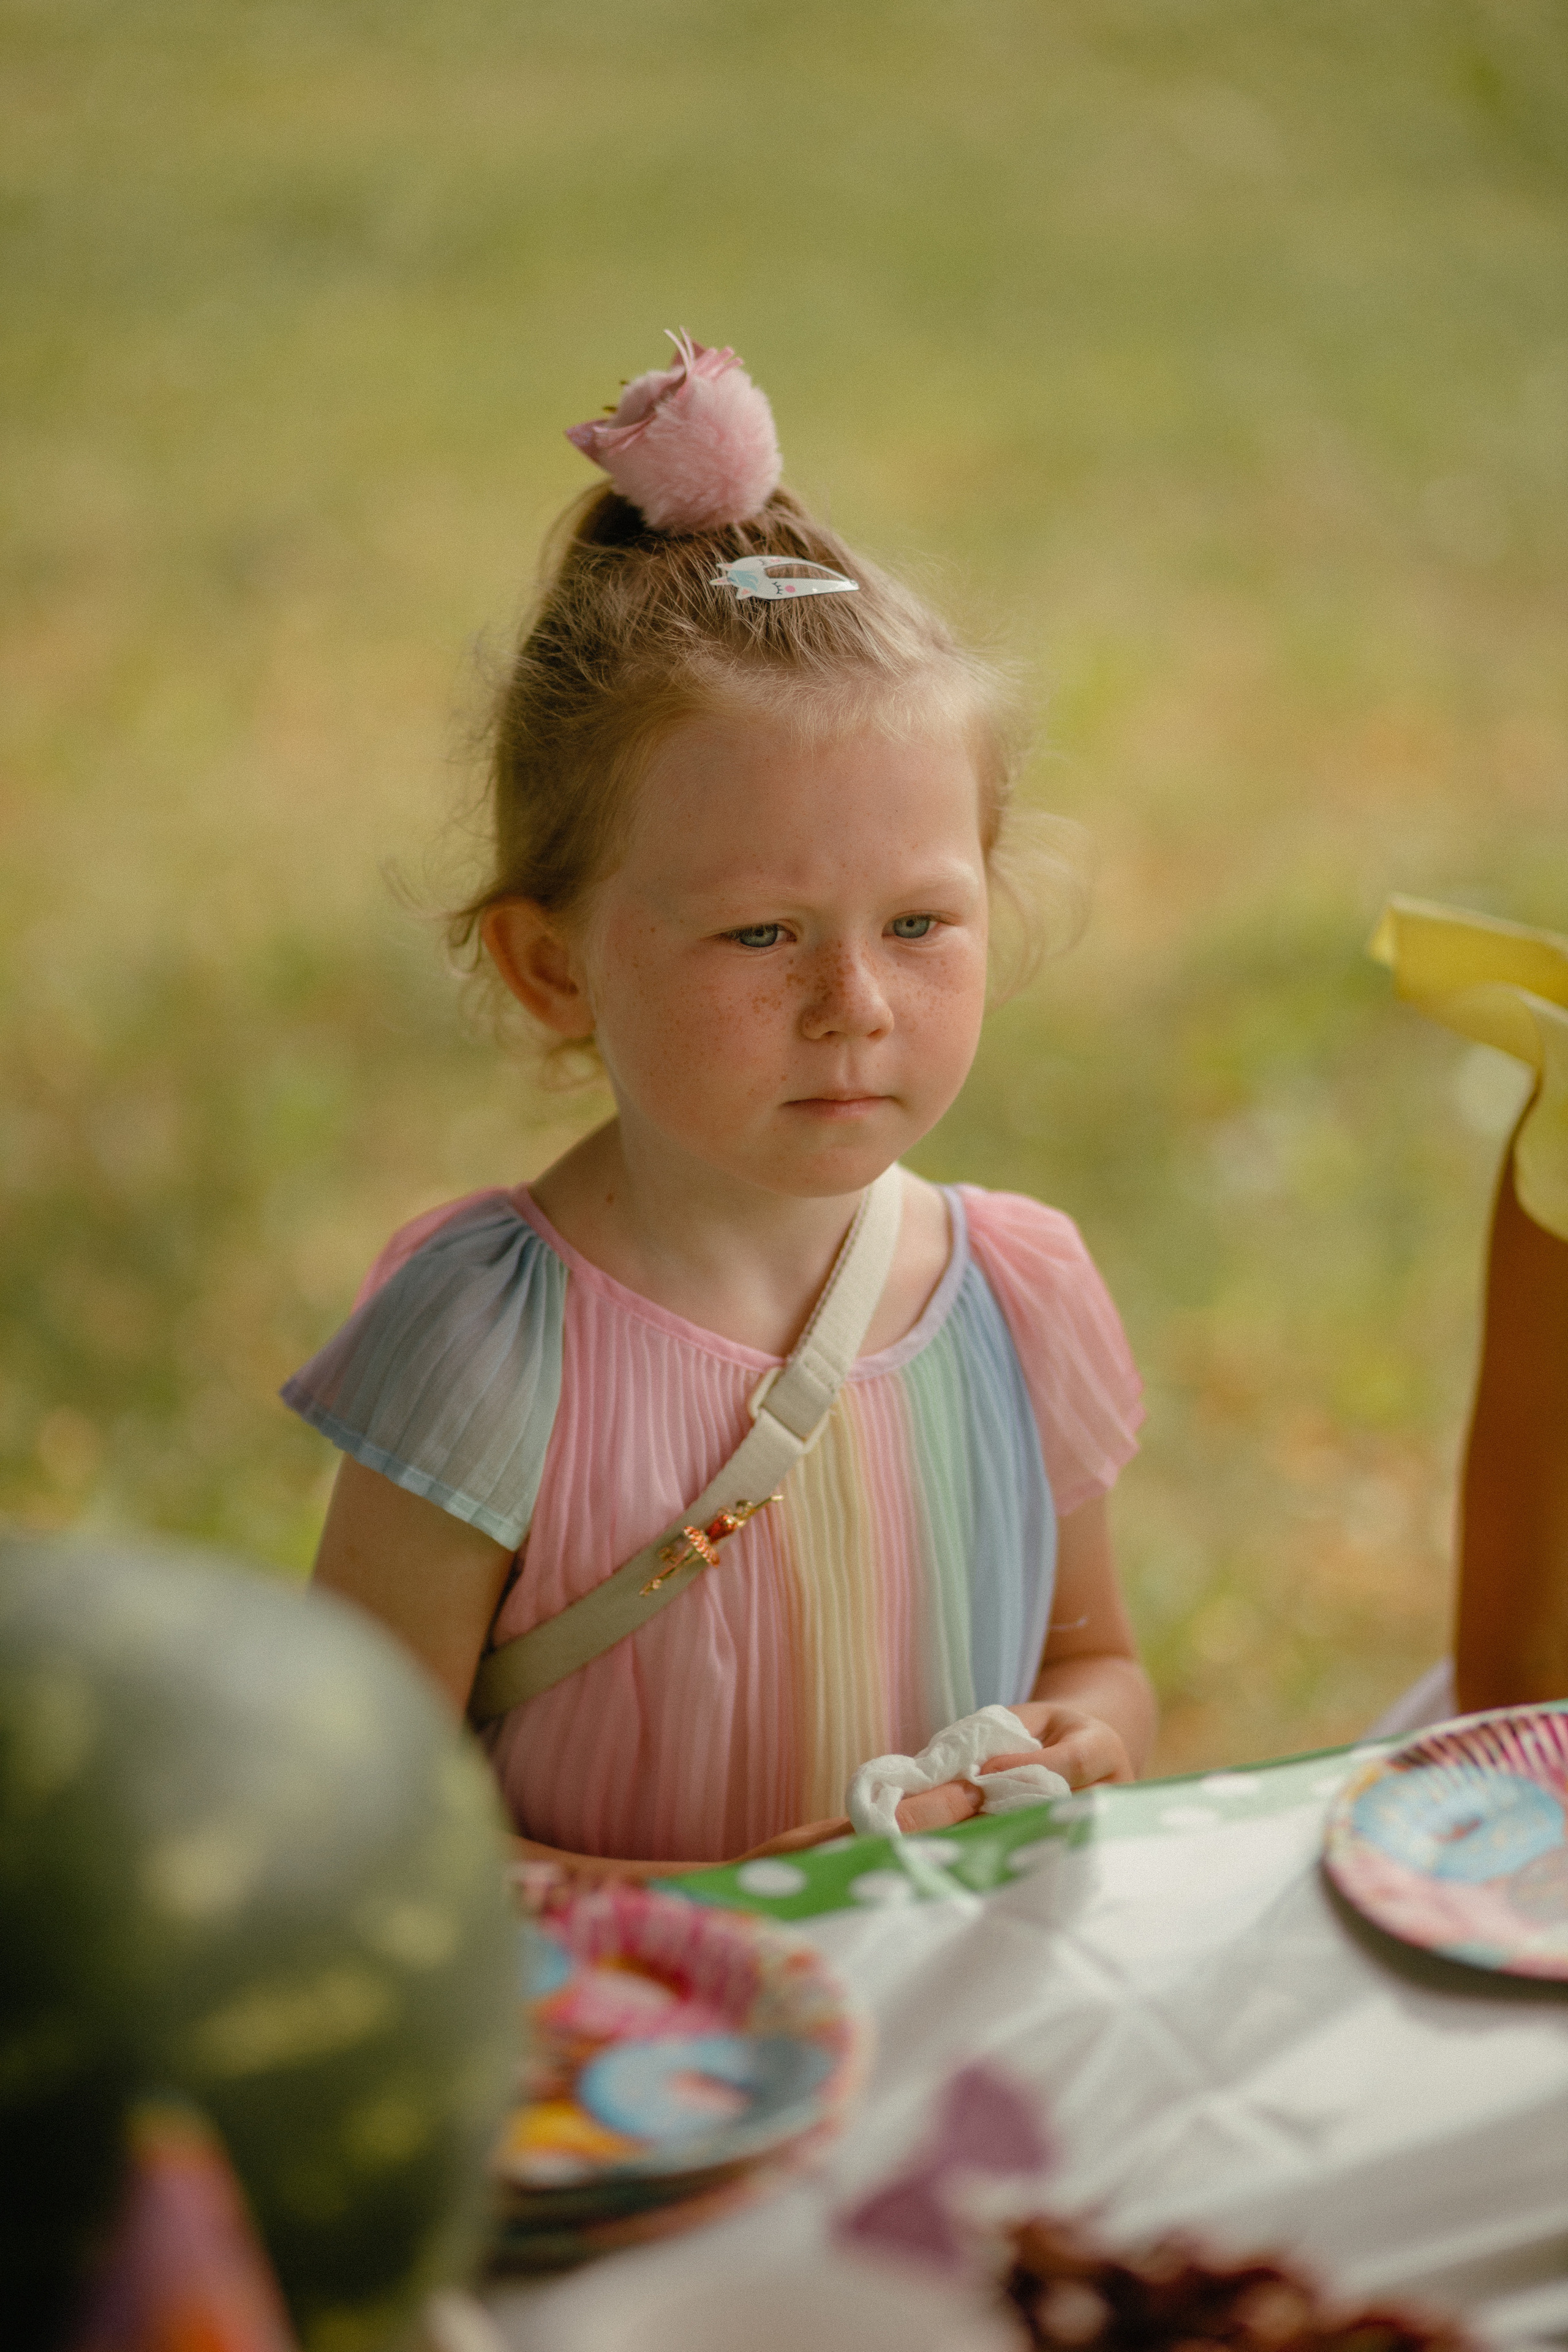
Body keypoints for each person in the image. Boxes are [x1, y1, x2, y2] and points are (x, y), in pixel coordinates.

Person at [285, 334, 1156, 1874]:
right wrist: (715, 1921)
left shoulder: (1020, 1300)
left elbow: (1094, 1667)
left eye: (919, 924)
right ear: (552, 967)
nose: (855, 1004)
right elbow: (367, 1817)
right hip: (623, 2073)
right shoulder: (493, 1345)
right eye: (761, 933)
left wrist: (1084, 1741)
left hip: (946, 2040)